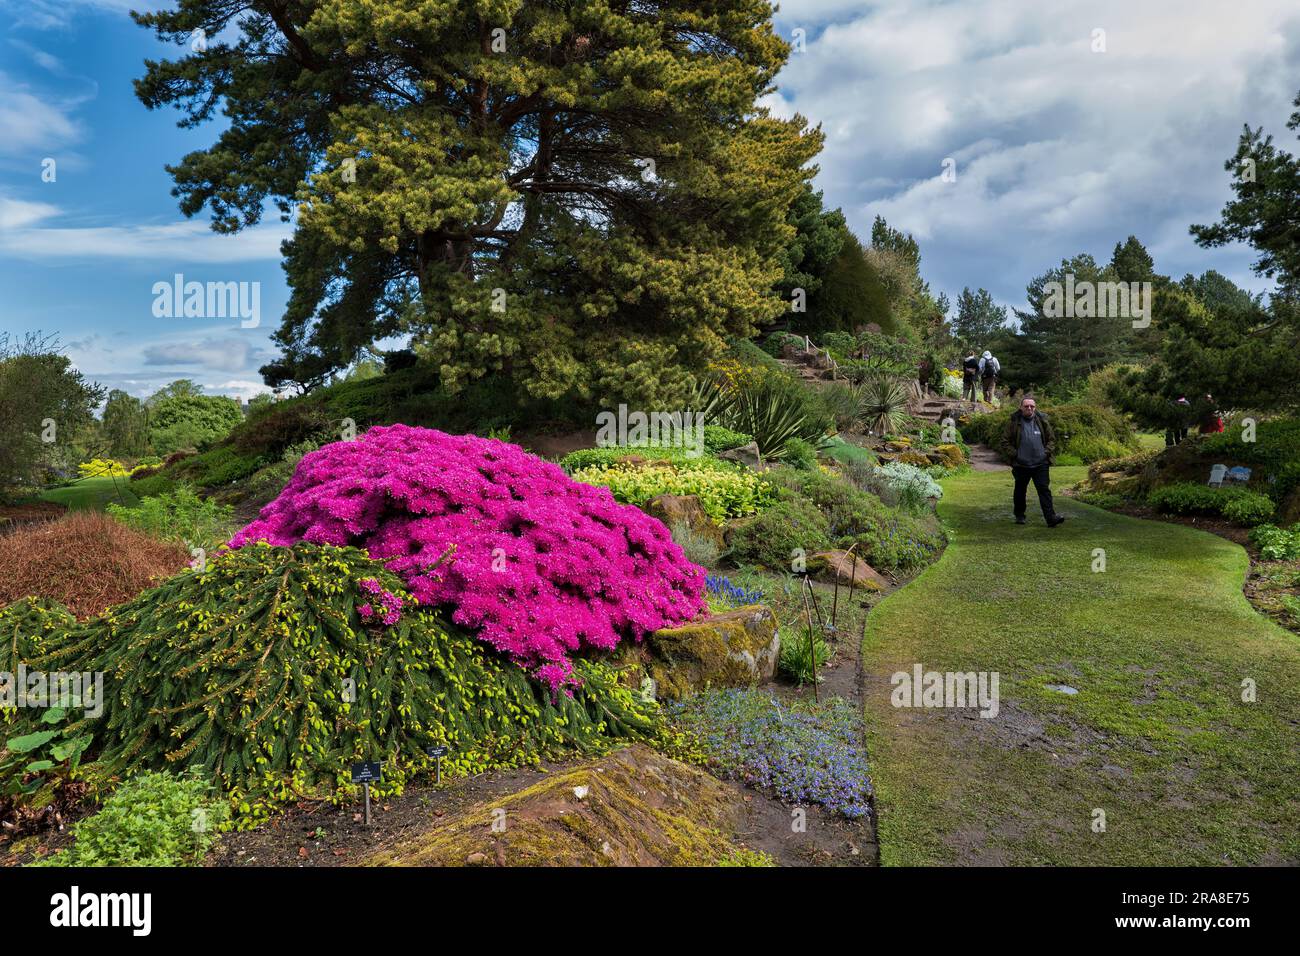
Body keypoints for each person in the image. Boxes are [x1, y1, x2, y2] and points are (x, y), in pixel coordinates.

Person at [1003, 395, 1065, 527]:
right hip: (1021, 464)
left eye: (1032, 406)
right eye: (1026, 406)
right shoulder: (1014, 422)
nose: (1029, 408)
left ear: (1035, 408)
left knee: (1044, 490)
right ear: (1021, 408)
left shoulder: (1042, 420)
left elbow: (1051, 440)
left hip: (1040, 464)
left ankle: (1051, 518)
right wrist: (1016, 454)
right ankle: (1020, 515)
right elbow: (1005, 442)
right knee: (1020, 491)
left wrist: (1045, 453)